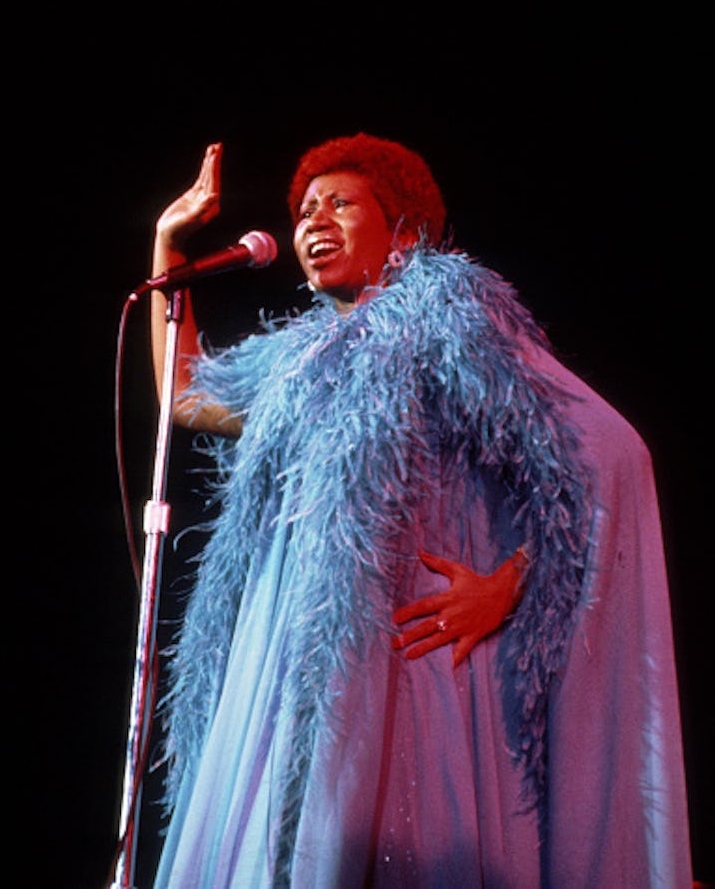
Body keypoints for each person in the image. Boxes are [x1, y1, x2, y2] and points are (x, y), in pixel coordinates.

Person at [148, 134, 691, 887]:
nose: (313, 220)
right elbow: (186, 398)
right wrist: (166, 245)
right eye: (305, 208)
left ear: (404, 230)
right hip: (294, 659)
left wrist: (510, 583)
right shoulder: (294, 361)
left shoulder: (451, 318)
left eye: (340, 202)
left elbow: (607, 456)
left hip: (409, 660)